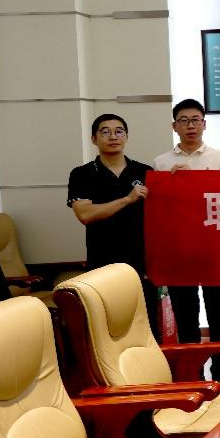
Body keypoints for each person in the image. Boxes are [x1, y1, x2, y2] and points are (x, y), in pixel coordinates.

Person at [154, 98, 220, 389]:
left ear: (204, 124)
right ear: (174, 126)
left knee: (218, 313)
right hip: (179, 249)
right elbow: (160, 208)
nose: (190, 125)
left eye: (195, 120)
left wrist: (198, 180)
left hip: (214, 247)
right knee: (186, 314)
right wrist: (172, 182)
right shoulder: (162, 163)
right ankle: (194, 374)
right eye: (184, 120)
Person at [67, 114, 160, 337]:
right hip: (102, 261)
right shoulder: (82, 174)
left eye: (119, 131)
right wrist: (128, 199)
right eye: (105, 132)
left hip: (141, 263)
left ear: (126, 137)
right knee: (107, 326)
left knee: (146, 325)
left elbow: (161, 216)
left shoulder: (144, 171)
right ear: (94, 139)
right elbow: (85, 215)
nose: (113, 137)